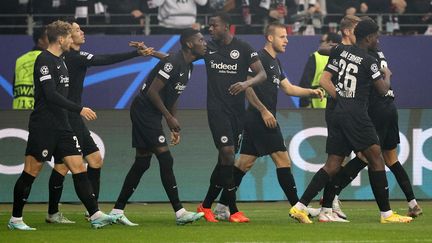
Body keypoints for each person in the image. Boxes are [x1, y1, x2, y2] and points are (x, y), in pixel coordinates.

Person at [289, 19, 413, 224]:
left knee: (332, 164)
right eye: (376, 36)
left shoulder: (339, 51)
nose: (378, 40)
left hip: (337, 112)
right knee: (376, 158)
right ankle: (387, 215)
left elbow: (326, 77)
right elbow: (383, 91)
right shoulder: (369, 61)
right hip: (357, 115)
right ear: (368, 37)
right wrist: (387, 75)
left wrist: (342, 98)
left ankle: (300, 206)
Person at [7, 20, 113, 231]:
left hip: (63, 126)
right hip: (44, 125)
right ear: (61, 39)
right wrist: (78, 108)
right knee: (31, 171)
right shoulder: (43, 60)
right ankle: (15, 218)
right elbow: (50, 95)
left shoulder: (62, 61)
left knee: (78, 167)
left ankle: (95, 214)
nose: (72, 39)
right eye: (69, 36)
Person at [44, 18, 152, 224]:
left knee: (94, 160)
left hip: (73, 115)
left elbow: (101, 58)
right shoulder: (72, 57)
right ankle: (57, 213)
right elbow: (104, 59)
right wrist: (135, 53)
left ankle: (89, 210)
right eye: (77, 30)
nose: (82, 32)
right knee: (62, 166)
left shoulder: (75, 55)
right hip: (67, 116)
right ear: (67, 36)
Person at [213, 22, 324, 221]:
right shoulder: (257, 59)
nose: (287, 40)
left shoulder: (276, 62)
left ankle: (222, 205)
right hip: (259, 118)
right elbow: (247, 87)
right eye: (283, 37)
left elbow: (288, 89)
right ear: (270, 38)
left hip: (261, 119)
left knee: (244, 163)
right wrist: (264, 111)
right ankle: (298, 208)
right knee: (283, 160)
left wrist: (311, 91)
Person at [319, 16, 423, 220]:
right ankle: (412, 203)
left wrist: (339, 48)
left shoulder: (364, 52)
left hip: (374, 110)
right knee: (390, 159)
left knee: (364, 157)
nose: (378, 39)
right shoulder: (373, 50)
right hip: (390, 109)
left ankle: (331, 199)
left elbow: (324, 49)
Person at [109, 28, 207, 226]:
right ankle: (180, 212)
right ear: (189, 44)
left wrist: (174, 125)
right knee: (165, 158)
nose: (205, 43)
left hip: (151, 113)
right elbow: (152, 92)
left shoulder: (187, 66)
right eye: (201, 40)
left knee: (142, 162)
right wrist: (169, 118)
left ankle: (116, 211)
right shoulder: (174, 62)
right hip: (145, 110)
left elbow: (173, 96)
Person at [196, 11, 267, 223]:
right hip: (217, 111)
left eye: (214, 25)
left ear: (226, 26)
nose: (210, 29)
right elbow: (182, 57)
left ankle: (206, 205)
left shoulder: (244, 48)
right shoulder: (208, 47)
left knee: (223, 161)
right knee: (227, 153)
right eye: (210, 26)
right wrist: (153, 54)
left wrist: (246, 84)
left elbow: (261, 74)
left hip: (238, 114)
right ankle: (233, 209)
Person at [299, 32, 341, 108]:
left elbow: (305, 81)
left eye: (322, 41)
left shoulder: (316, 56)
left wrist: (304, 103)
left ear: (330, 42)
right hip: (337, 105)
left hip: (317, 103)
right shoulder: (344, 56)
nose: (320, 44)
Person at [13, 27, 49, 109]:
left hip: (18, 109)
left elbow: (14, 87)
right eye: (48, 37)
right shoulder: (47, 58)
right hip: (38, 110)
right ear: (40, 41)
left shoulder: (20, 59)